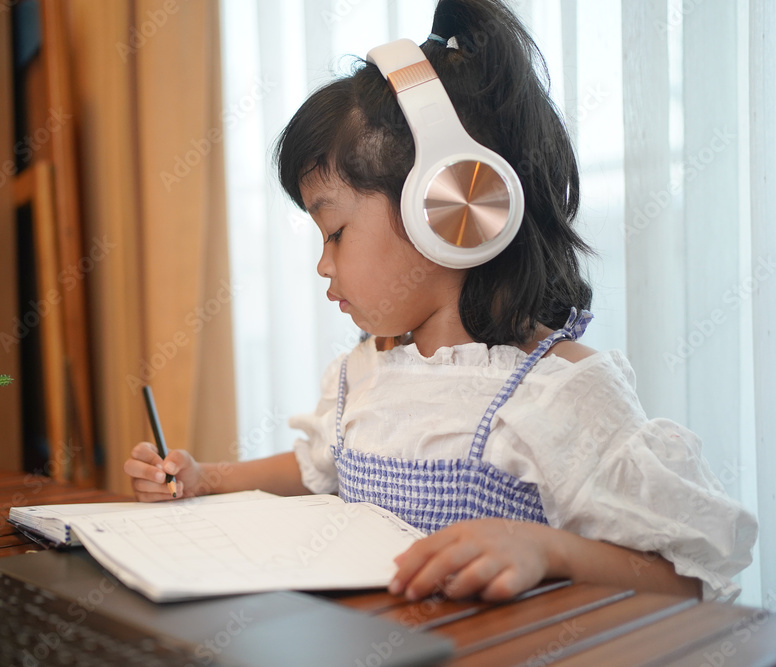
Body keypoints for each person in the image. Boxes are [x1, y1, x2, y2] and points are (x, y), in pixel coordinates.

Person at [124, 0, 756, 603]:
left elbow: (685, 577)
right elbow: (317, 469)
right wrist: (204, 478)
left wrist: (547, 550)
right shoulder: (366, 372)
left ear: (448, 207)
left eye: (335, 232)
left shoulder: (558, 394)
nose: (323, 264)